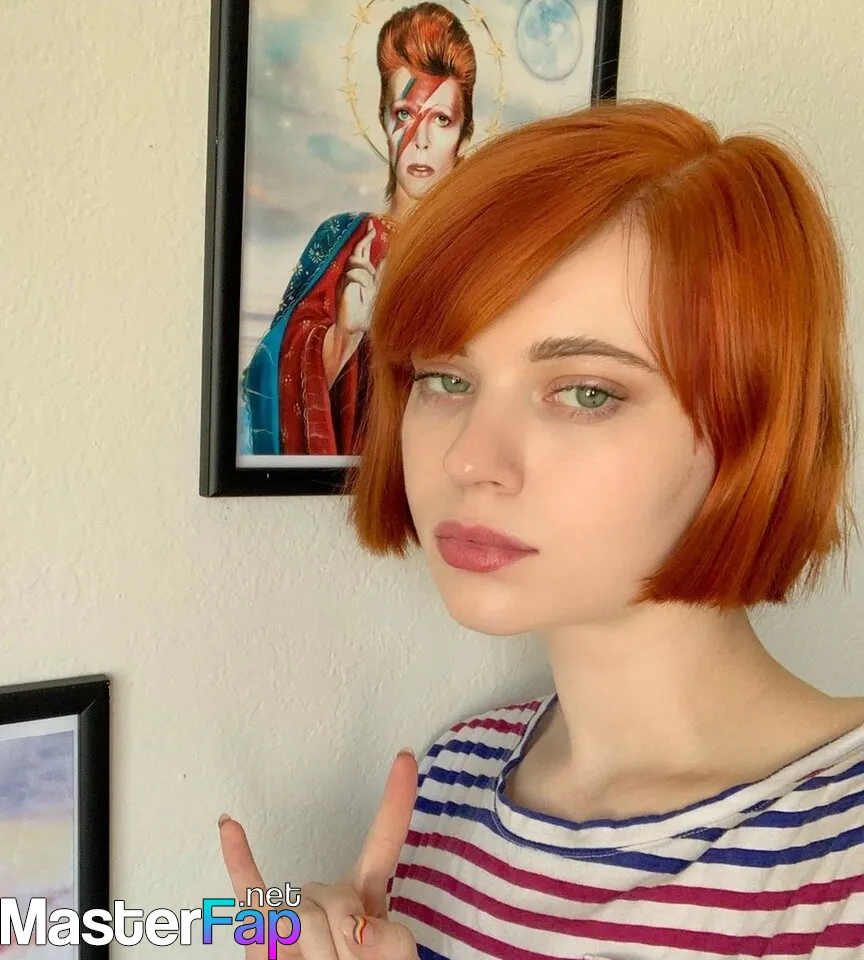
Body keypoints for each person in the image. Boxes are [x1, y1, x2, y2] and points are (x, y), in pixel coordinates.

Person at [219, 99, 864, 958]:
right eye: (445, 379)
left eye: (586, 392)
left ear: (749, 427)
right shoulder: (451, 779)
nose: (469, 460)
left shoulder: (841, 860)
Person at [239, 2, 476, 455]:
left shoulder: (478, 256)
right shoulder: (343, 240)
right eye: (405, 115)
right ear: (384, 120)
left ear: (463, 135)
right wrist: (345, 334)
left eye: (441, 120)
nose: (421, 140)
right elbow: (262, 384)